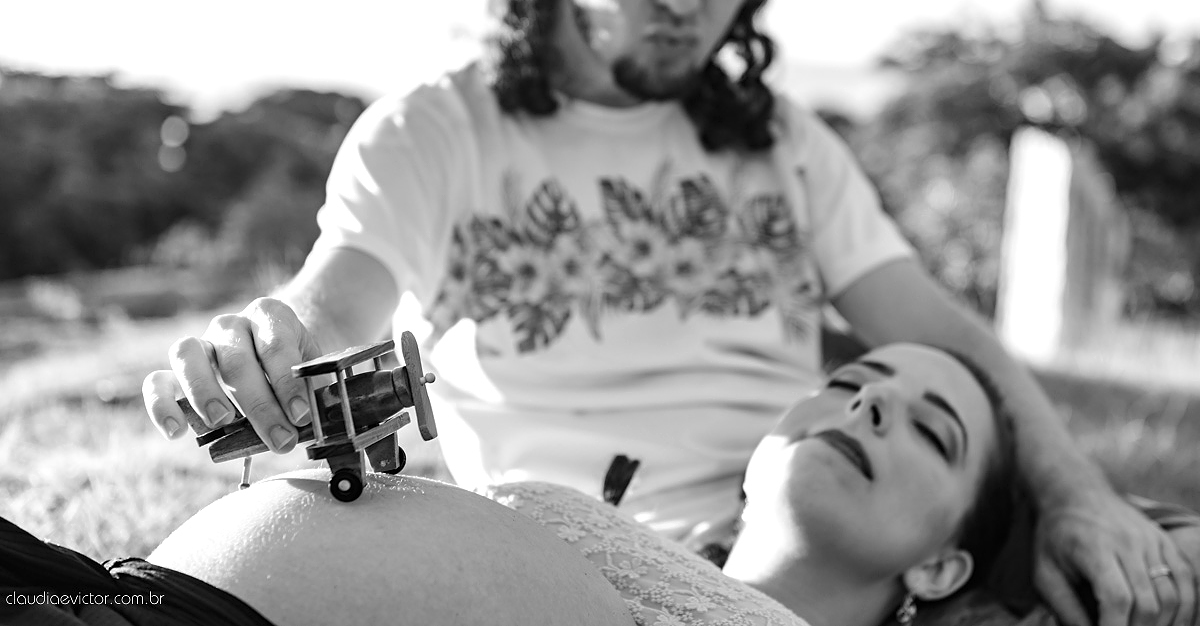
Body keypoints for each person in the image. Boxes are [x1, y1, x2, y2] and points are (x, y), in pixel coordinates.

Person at [142, 0, 1197, 626]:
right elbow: (337, 302)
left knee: (1167, 563)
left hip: (826, 547)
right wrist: (273, 348)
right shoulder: (436, 131)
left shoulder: (786, 145)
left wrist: (1081, 498)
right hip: (572, 568)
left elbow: (946, 339)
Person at [17, 343, 1016, 626]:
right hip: (110, 595)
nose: (867, 407)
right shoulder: (652, 547)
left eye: (930, 429)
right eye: (847, 384)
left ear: (941, 565)